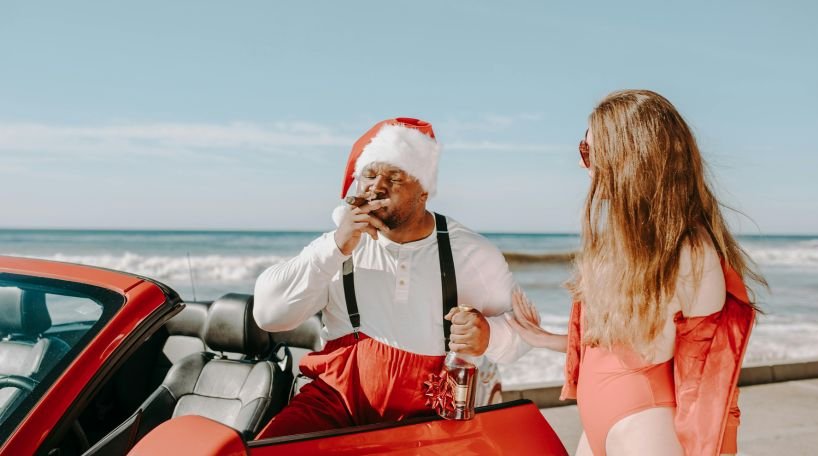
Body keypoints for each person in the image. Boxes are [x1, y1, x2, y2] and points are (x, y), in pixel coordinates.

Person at [506, 90, 766, 456]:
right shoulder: (622, 240)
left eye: (589, 153)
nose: (584, 166)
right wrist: (548, 339)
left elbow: (706, 375)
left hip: (645, 427)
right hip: (602, 422)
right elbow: (617, 339)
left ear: (628, 158)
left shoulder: (688, 248)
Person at [252, 117, 529, 437]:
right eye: (369, 174)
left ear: (424, 191)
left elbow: (526, 334)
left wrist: (489, 336)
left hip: (428, 420)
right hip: (335, 404)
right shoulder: (337, 245)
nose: (377, 186)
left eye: (395, 176)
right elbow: (268, 315)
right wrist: (335, 247)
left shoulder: (470, 253)